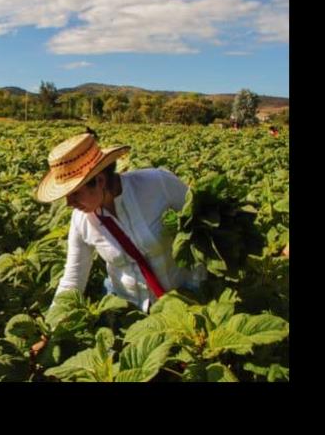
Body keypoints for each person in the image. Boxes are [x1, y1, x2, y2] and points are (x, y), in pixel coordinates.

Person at [30, 131, 205, 355]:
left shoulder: (157, 184)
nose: (68, 203)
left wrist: (199, 288)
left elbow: (203, 225)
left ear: (99, 180)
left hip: (182, 302)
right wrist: (50, 333)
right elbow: (73, 278)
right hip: (125, 312)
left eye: (74, 194)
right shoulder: (81, 220)